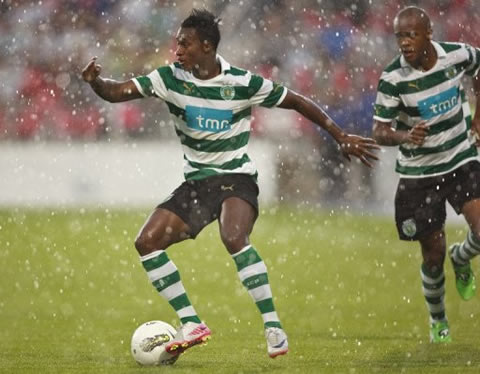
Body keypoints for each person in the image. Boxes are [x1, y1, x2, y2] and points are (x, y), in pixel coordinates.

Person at [82, 8, 379, 358]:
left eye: (185, 44)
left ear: (206, 47)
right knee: (146, 242)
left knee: (233, 235)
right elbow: (118, 92)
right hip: (197, 184)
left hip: (236, 179)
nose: (177, 50)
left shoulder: (242, 82)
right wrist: (95, 83)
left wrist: (339, 134)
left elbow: (297, 101)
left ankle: (273, 326)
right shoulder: (169, 79)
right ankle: (191, 322)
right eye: (177, 43)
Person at [373, 6, 480, 343]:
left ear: (428, 33)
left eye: (411, 35)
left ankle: (461, 258)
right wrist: (405, 137)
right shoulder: (393, 79)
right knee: (431, 257)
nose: (404, 43)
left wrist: (477, 119)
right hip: (419, 174)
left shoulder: (457, 55)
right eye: (399, 36)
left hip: (461, 158)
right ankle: (438, 320)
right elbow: (379, 131)